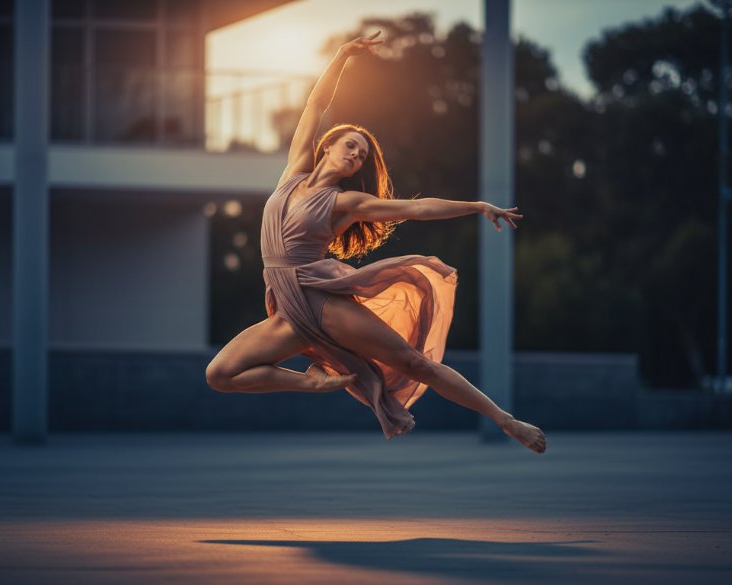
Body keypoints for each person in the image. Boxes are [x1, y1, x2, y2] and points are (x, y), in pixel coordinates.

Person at [205, 32, 546, 454]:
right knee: (220, 374)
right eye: (350, 145)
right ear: (327, 145)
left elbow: (417, 210)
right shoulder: (292, 173)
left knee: (415, 363)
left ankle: (506, 421)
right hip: (287, 307)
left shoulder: (347, 202)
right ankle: (311, 383)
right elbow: (316, 104)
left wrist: (476, 206)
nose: (355, 155)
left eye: (362, 155)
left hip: (319, 300)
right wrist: (342, 56)